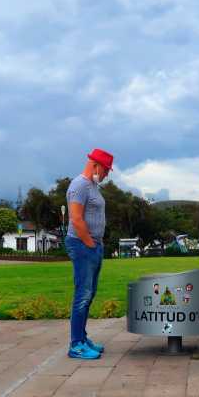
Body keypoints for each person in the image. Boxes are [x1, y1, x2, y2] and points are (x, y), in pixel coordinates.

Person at [65, 148, 113, 359]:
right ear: (96, 165)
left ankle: (82, 338)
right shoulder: (80, 185)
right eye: (106, 170)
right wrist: (89, 244)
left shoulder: (92, 186)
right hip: (83, 245)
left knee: (89, 293)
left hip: (93, 245)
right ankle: (76, 344)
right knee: (82, 295)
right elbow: (76, 218)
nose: (106, 175)